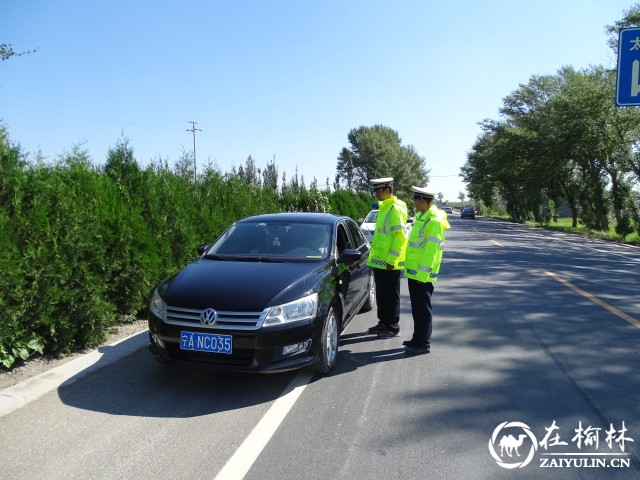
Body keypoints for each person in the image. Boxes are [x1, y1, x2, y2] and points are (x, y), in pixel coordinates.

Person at [403, 186, 450, 356]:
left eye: (415, 200)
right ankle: (417, 338)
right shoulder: (423, 218)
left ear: (422, 201)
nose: (414, 203)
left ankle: (423, 344)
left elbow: (432, 251)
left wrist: (422, 276)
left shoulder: (433, 221)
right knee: (417, 309)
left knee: (423, 310)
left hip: (421, 275)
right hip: (415, 273)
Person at [366, 177, 408, 339]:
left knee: (391, 296)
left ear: (387, 190)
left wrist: (391, 259)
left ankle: (393, 327)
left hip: (390, 262)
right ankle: (383, 322)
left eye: (377, 190)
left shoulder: (395, 209)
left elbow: (399, 237)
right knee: (382, 294)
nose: (375, 193)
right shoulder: (384, 207)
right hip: (380, 260)